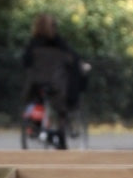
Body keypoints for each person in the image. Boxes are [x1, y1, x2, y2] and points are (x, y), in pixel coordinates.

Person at [22, 13, 87, 147]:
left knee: (37, 101)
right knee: (62, 107)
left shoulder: (33, 44)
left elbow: (26, 62)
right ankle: (61, 134)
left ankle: (35, 127)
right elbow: (73, 60)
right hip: (57, 85)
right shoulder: (59, 43)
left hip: (36, 84)